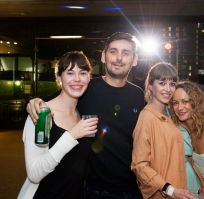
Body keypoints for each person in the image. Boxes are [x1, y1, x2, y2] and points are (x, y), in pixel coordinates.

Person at [26, 32, 145, 199]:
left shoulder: (138, 95)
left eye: (126, 53)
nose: (119, 58)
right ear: (104, 56)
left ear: (135, 59)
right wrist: (34, 101)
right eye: (113, 51)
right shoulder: (86, 88)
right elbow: (59, 97)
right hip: (92, 190)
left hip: (132, 190)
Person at [18, 51, 99, 199]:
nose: (77, 79)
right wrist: (71, 136)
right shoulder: (41, 114)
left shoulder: (83, 113)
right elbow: (34, 174)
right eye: (70, 73)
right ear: (59, 77)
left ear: (89, 77)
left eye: (82, 73)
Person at [131, 62, 197, 199]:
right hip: (167, 193)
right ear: (150, 85)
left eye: (172, 84)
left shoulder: (168, 114)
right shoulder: (147, 117)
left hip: (182, 188)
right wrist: (170, 189)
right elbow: (139, 165)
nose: (168, 89)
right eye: (162, 83)